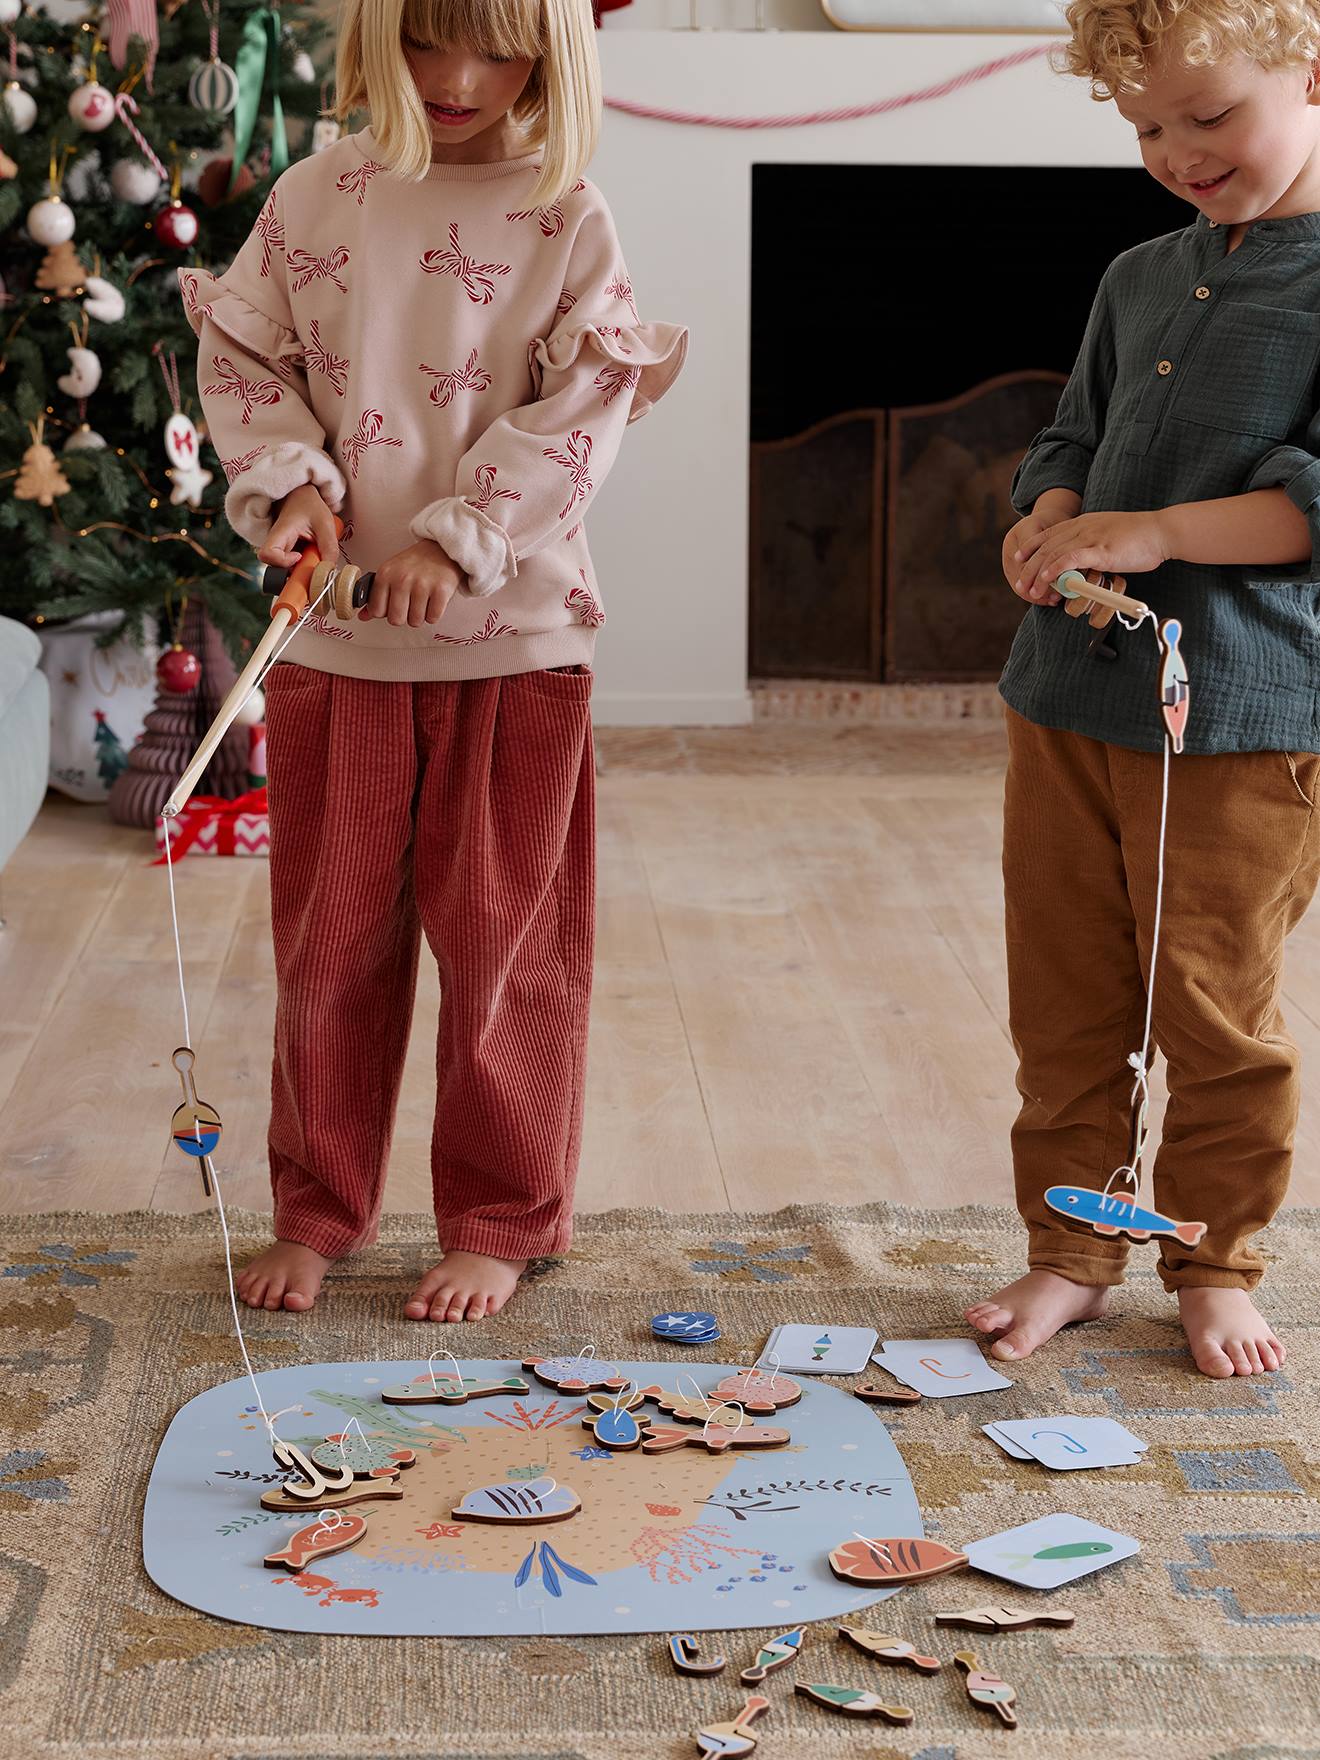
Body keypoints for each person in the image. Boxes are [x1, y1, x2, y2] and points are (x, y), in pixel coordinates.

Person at [179, 0, 687, 1322]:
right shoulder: (315, 196)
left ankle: (503, 1220)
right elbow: (241, 353)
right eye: (425, 39)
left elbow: (584, 406)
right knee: (327, 947)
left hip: (514, 649)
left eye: (500, 48)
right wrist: (291, 490)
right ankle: (318, 1211)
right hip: (335, 642)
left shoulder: (569, 216)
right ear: (377, 33)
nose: (457, 79)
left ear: (555, 52)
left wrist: (463, 542)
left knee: (508, 949)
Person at [967, 0, 1320, 1377]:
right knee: (1065, 1009)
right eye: (1145, 129)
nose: (1179, 152)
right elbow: (1074, 431)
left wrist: (1162, 533)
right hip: (1064, 699)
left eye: (1210, 116)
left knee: (1213, 1010)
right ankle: (1071, 1252)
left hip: (1242, 723)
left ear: (1308, 67)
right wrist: (1050, 506)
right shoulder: (1138, 274)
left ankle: (1216, 1258)